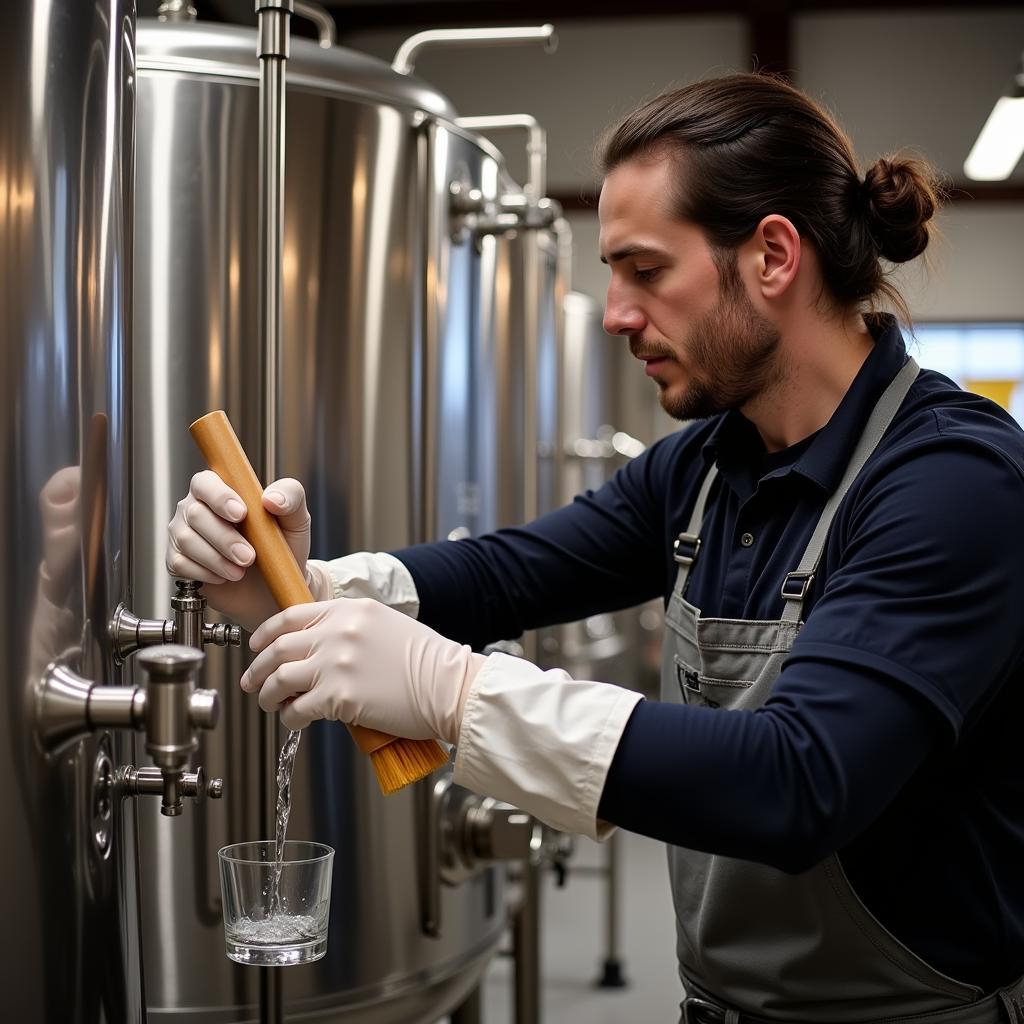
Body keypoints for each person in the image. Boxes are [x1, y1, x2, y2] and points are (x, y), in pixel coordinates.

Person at [166, 73, 1024, 1022]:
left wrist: (455, 691)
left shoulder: (954, 483)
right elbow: (508, 572)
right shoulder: (699, 467)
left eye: (646, 270)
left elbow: (799, 782)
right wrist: (299, 586)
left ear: (775, 255)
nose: (614, 313)